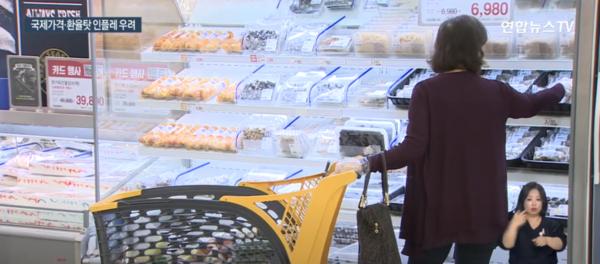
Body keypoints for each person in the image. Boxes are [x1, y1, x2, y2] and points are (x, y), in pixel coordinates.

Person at [336, 15, 571, 264]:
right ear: (475, 50)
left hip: (435, 207)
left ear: (441, 48)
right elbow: (529, 104)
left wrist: (365, 163)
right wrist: (563, 87)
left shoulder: (426, 91)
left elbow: (413, 148)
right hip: (482, 206)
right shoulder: (496, 91)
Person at [501, 182, 567, 263]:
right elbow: (507, 244)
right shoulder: (514, 220)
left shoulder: (552, 224)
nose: (534, 204)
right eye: (529, 199)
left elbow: (561, 244)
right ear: (522, 201)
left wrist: (547, 240)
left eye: (538, 199)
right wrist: (513, 225)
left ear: (543, 202)